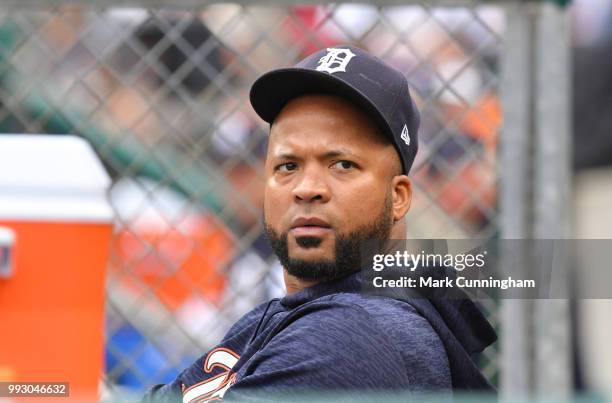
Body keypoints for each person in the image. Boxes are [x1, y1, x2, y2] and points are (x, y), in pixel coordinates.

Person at [142, 46, 497, 403]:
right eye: (288, 166)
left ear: (399, 197)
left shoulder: (355, 334)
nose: (307, 188)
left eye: (342, 165)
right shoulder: (279, 315)